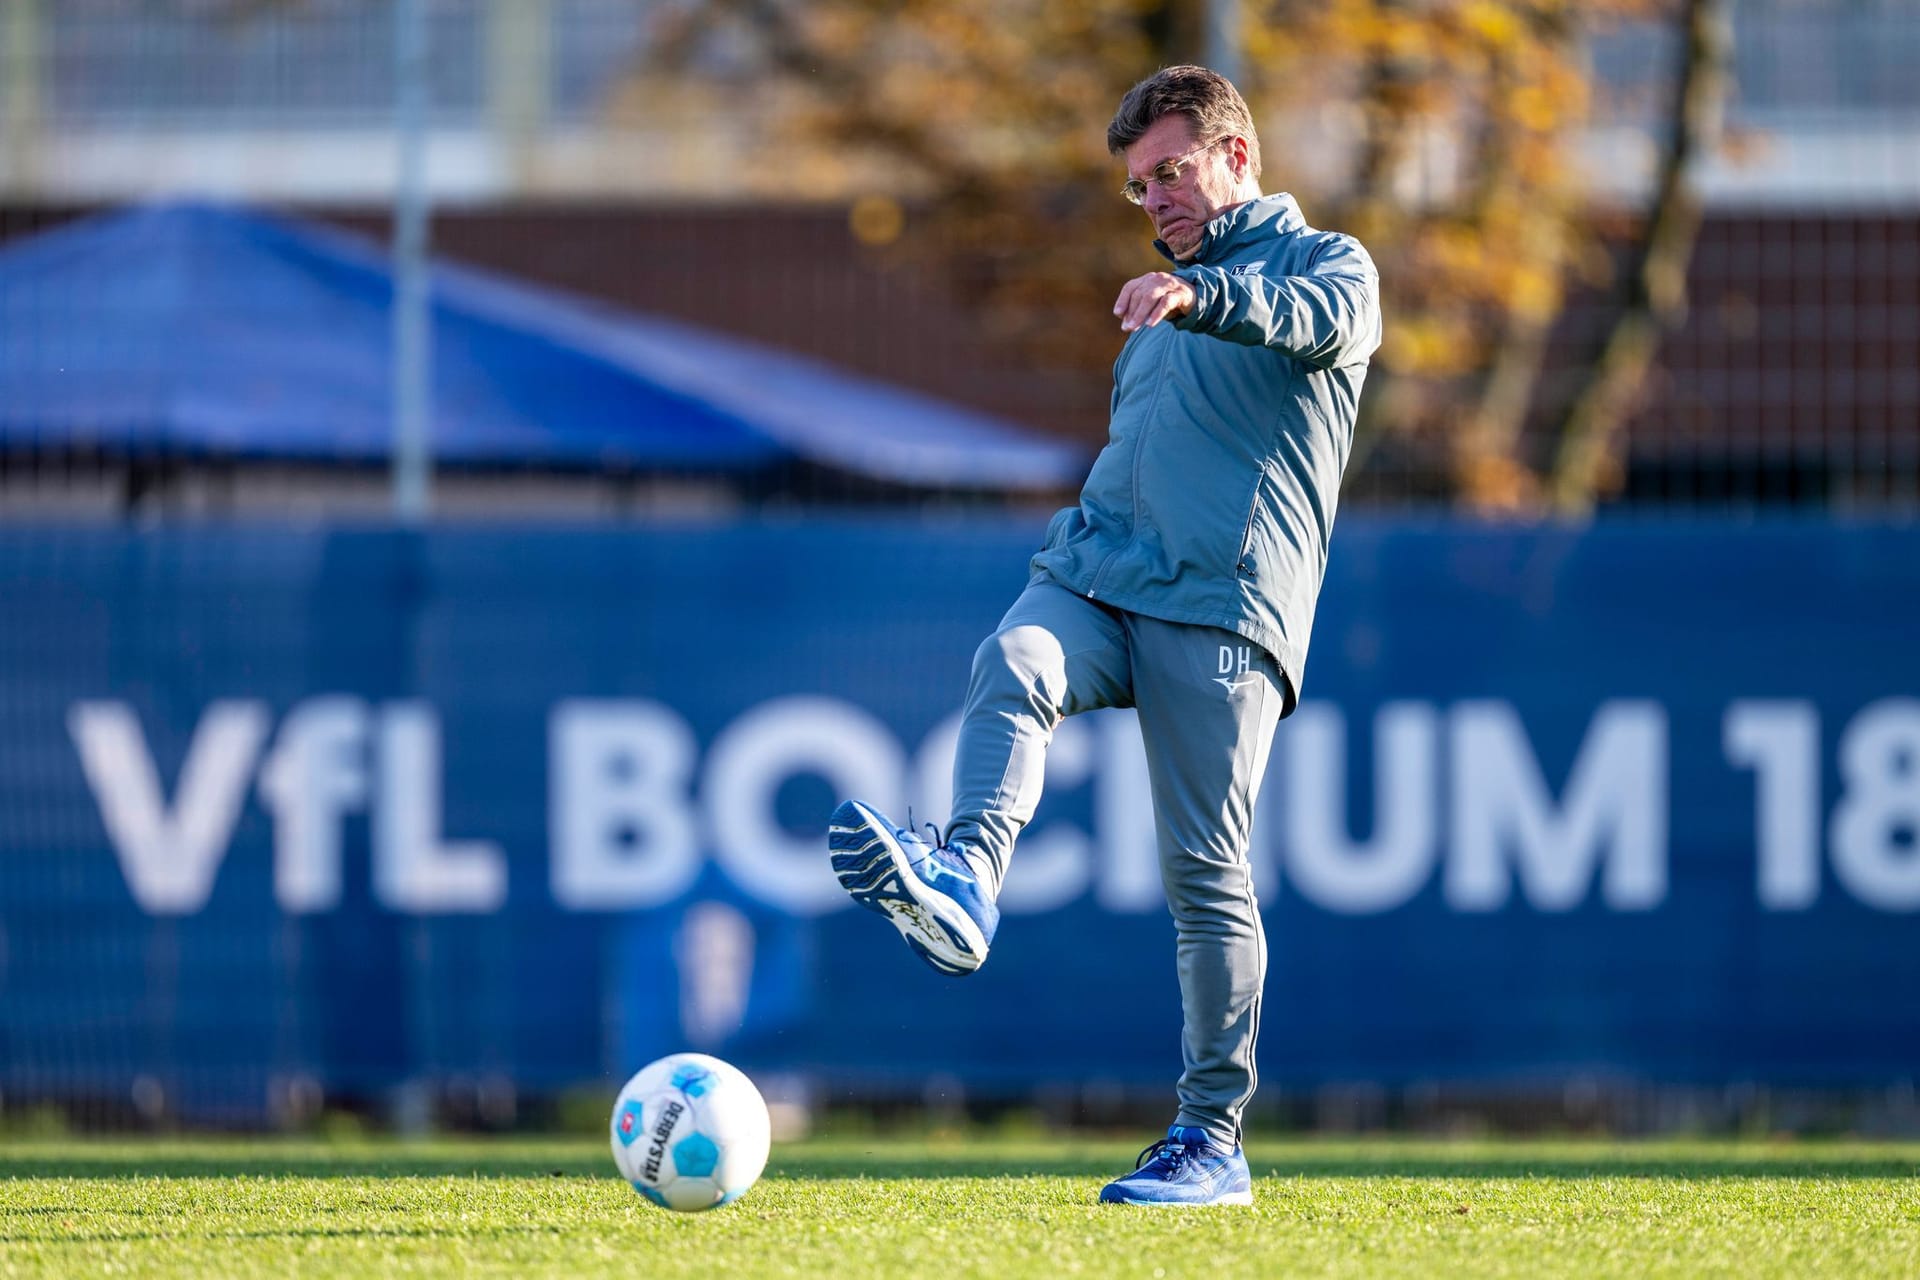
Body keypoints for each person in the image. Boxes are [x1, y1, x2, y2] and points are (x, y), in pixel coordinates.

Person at [827, 64, 1381, 1206]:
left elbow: (1316, 325)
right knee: (1013, 659)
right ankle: (967, 882)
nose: (1158, 199)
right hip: (1099, 579)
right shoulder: (1155, 309)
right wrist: (1075, 538)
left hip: (1224, 607)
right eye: (1140, 187)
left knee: (1204, 873)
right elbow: (1140, 462)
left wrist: (1205, 298)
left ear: (1239, 156)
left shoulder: (1327, 266)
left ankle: (1210, 1137)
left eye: (1172, 171)